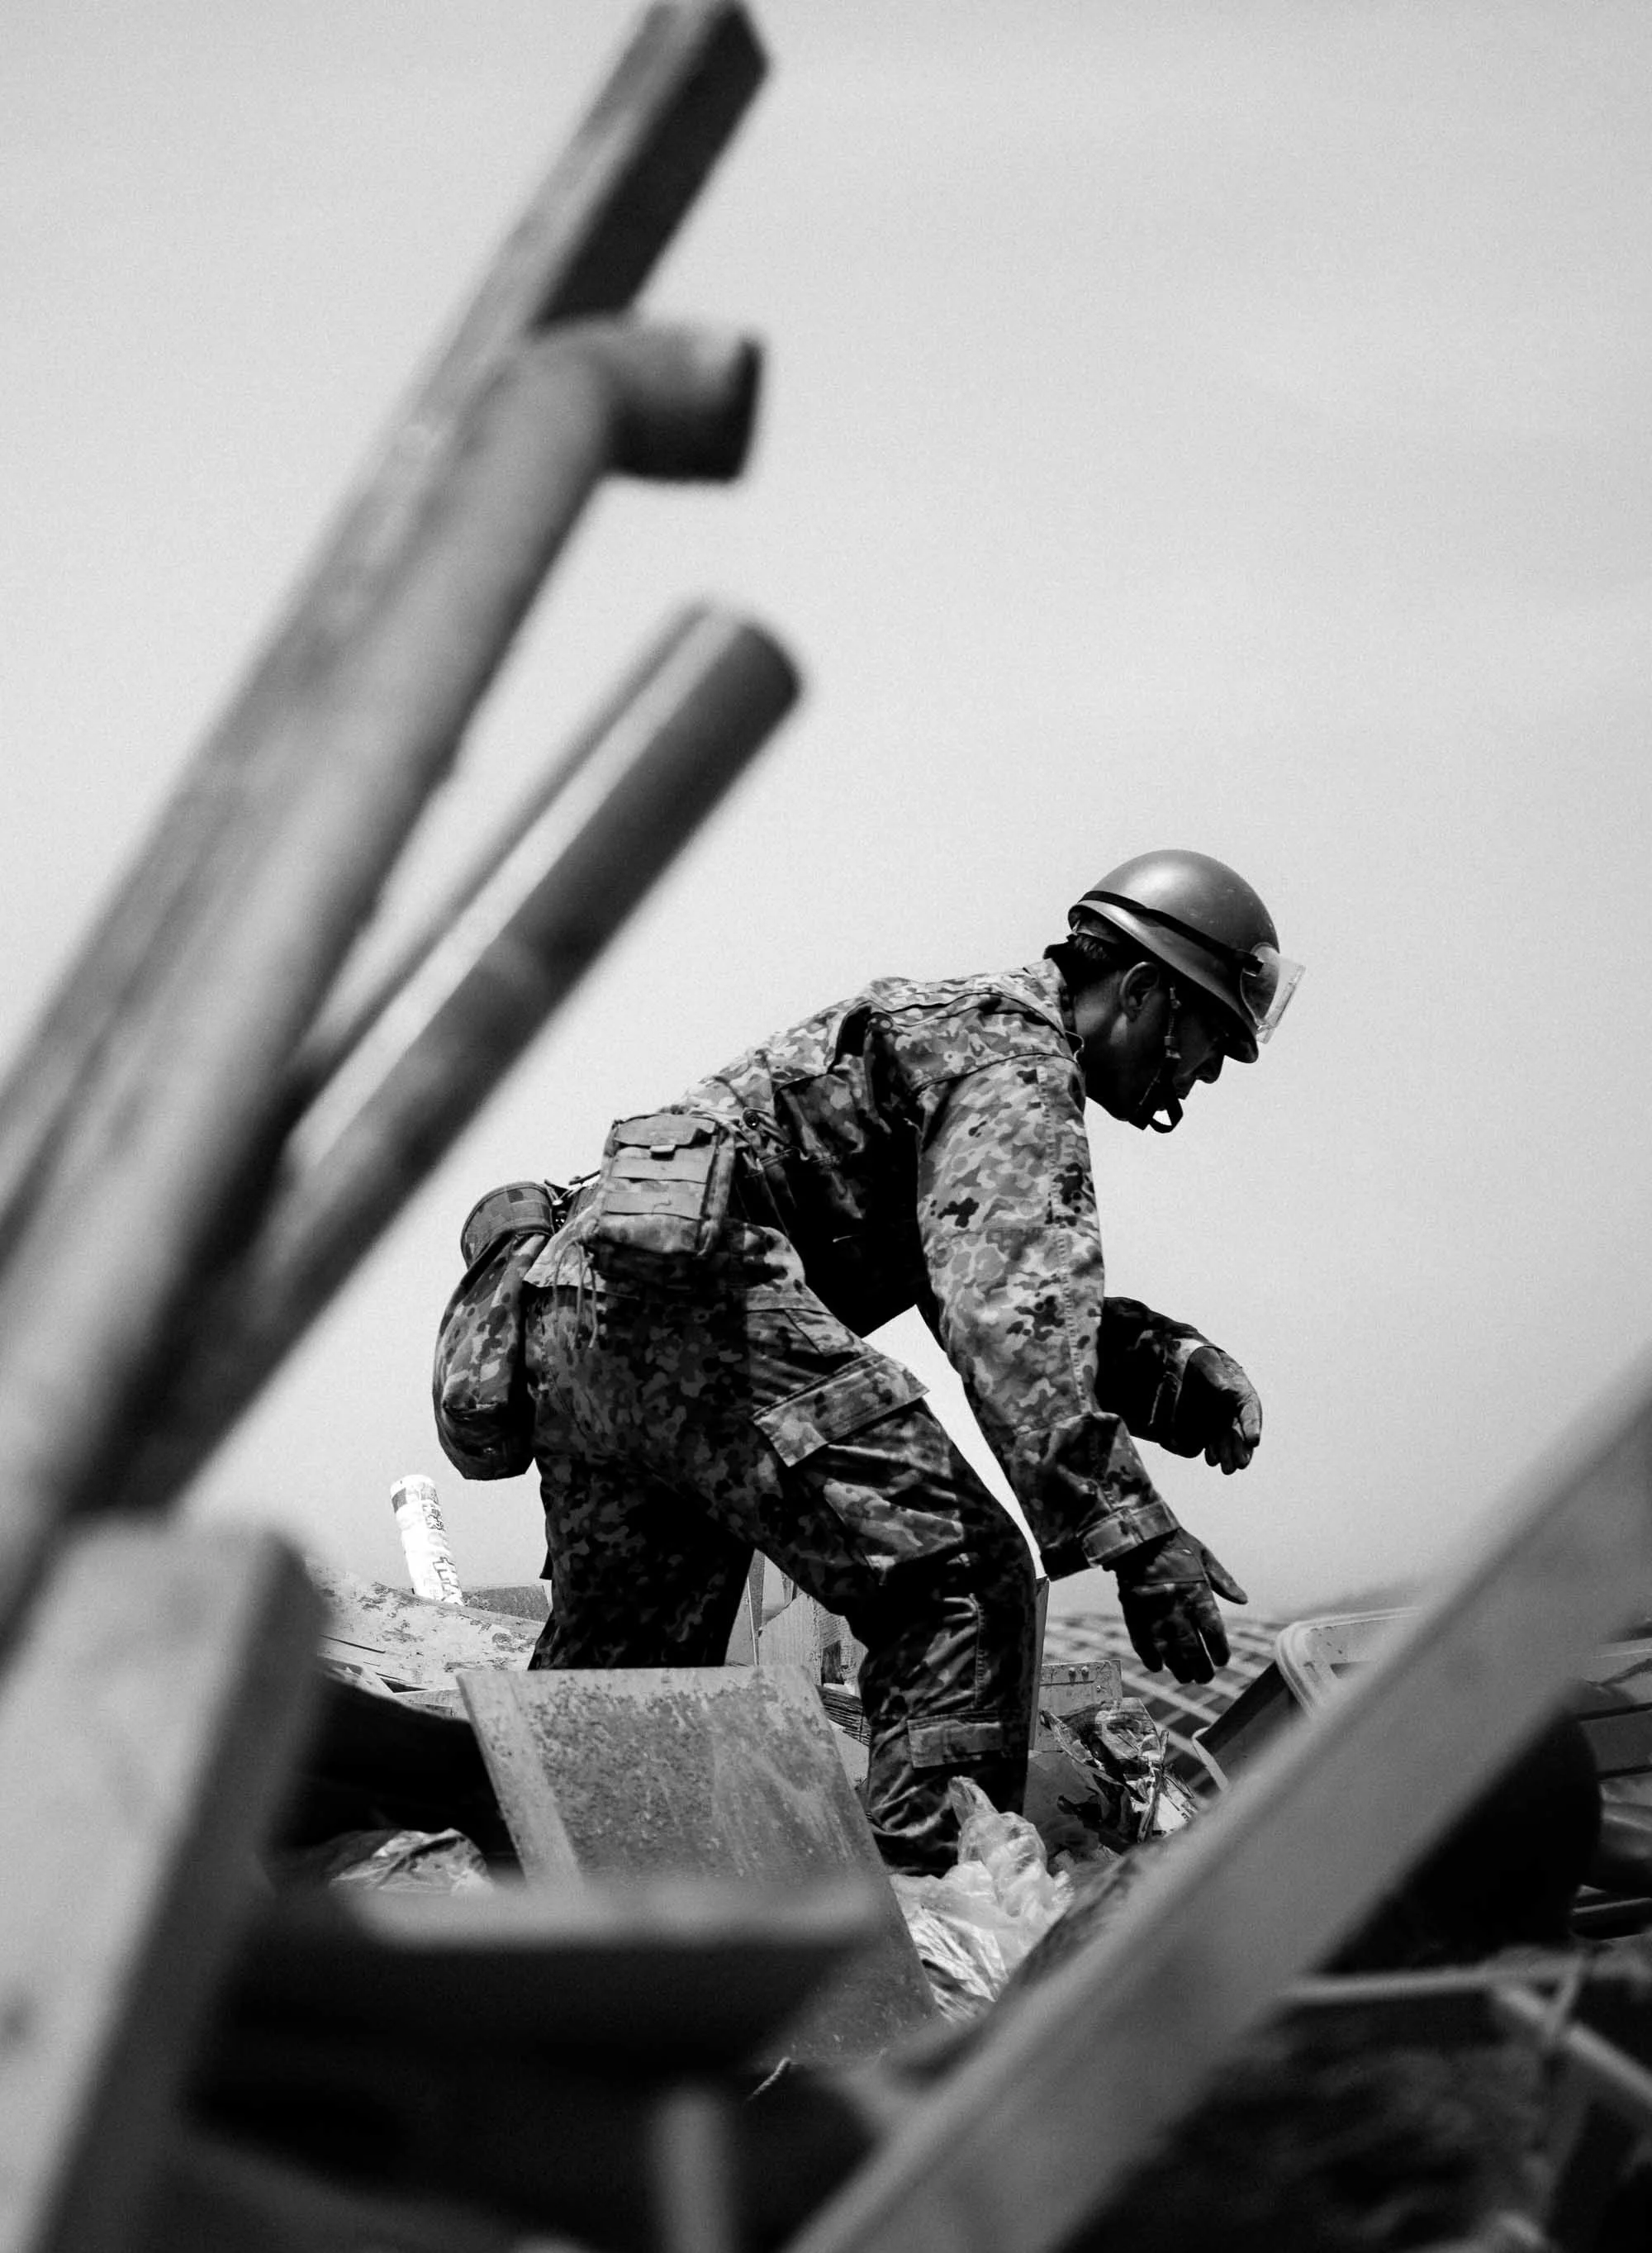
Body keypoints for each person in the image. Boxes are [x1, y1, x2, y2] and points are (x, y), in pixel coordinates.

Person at [434, 848, 1303, 1870]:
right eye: (1205, 1040)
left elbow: (977, 1268)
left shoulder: (956, 1030)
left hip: (591, 1328)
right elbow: (1006, 1317)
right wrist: (1136, 1537)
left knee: (617, 1697)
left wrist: (1163, 1367)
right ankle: (957, 1896)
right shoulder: (1014, 1060)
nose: (1199, 1075)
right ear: (1146, 991)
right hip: (705, 1316)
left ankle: (528, 1909)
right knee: (959, 1577)